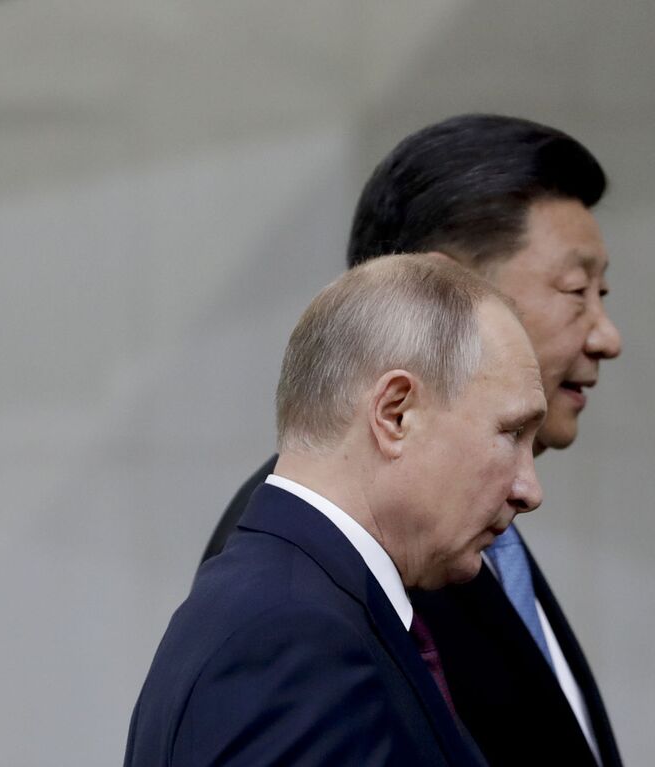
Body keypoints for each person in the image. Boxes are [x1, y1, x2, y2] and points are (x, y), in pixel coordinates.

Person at [201, 114, 626, 766]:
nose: (607, 336)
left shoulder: (465, 530)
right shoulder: (303, 591)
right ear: (444, 288)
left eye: (603, 293)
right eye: (576, 291)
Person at [126, 255, 547, 766]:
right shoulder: (292, 636)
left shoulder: (289, 604)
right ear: (396, 414)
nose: (529, 489)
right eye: (510, 433)